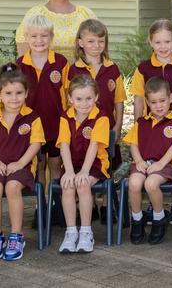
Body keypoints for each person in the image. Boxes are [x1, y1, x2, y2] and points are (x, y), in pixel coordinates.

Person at [129, 19, 172, 224]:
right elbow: (139, 100)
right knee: (153, 163)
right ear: (150, 43)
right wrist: (138, 126)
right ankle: (154, 204)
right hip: (151, 129)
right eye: (158, 42)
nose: (163, 47)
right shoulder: (143, 69)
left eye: (167, 41)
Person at [0, 64, 45, 261]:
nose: (14, 98)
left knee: (12, 187)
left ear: (26, 93)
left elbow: (36, 144)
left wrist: (20, 163)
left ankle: (17, 236)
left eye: (19, 93)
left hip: (22, 167)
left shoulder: (32, 118)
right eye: (8, 93)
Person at [68, 19, 126, 223]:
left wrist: (118, 126)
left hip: (107, 129)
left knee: (106, 166)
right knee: (84, 163)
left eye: (101, 41)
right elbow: (68, 104)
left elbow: (119, 100)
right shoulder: (73, 70)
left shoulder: (112, 69)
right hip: (81, 133)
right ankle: (89, 205)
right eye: (91, 41)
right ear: (80, 43)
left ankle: (105, 205)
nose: (96, 46)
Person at [123, 77, 172, 244]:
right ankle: (137, 220)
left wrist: (160, 164)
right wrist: (138, 161)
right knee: (134, 183)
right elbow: (133, 144)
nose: (158, 106)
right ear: (147, 102)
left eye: (162, 101)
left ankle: (159, 219)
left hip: (165, 166)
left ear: (170, 99)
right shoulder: (141, 123)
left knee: (151, 184)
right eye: (153, 102)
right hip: (143, 163)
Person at [16, 15, 68, 221]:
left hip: (56, 126)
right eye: (34, 36)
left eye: (44, 36)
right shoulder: (21, 64)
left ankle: (56, 205)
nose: (39, 40)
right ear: (27, 38)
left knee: (55, 166)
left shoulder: (61, 62)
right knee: (39, 168)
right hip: (32, 129)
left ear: (51, 37)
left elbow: (67, 95)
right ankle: (41, 205)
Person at [56, 75, 110, 253]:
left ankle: (86, 232)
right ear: (70, 98)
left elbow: (94, 146)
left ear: (96, 97)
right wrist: (69, 172)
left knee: (83, 184)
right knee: (69, 185)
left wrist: (84, 172)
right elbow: (64, 145)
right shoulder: (66, 117)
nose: (84, 103)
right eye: (79, 99)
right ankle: (71, 232)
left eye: (89, 98)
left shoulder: (101, 117)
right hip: (73, 163)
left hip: (94, 164)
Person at [16, 0, 97, 58]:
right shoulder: (34, 15)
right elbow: (24, 57)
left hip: (81, 71)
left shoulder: (86, 14)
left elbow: (98, 49)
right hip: (43, 71)